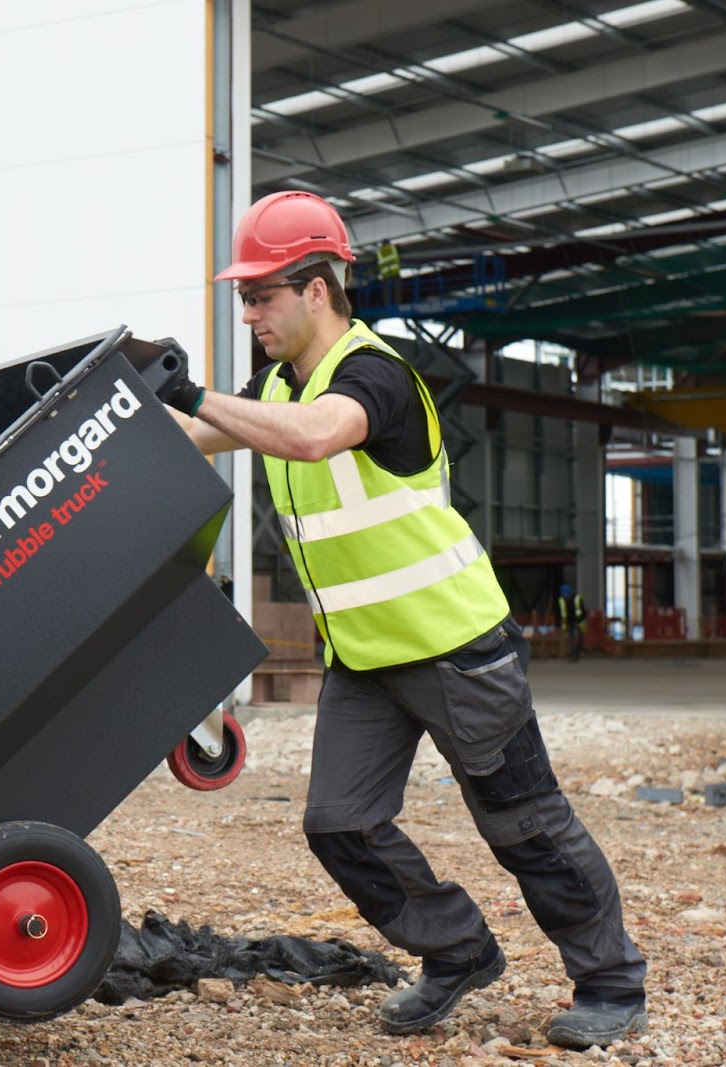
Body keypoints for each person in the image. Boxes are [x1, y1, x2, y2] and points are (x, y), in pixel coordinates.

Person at [157, 190, 647, 1049]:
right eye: (243, 296)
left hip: (458, 650)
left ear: (318, 288)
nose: (249, 311)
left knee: (525, 826)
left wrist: (192, 392)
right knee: (338, 824)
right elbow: (196, 436)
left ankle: (610, 982)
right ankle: (458, 951)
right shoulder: (275, 384)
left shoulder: (371, 374)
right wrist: (113, 409)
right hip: (366, 659)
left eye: (262, 293)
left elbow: (311, 437)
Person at [558, 584, 587, 663]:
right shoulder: (562, 601)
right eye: (565, 597)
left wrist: (578, 622)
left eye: (567, 596)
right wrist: (565, 627)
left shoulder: (578, 599)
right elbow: (564, 614)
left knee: (581, 638)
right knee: (571, 639)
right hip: (570, 622)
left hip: (580, 622)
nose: (566, 598)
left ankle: (577, 654)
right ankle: (573, 655)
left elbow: (583, 612)